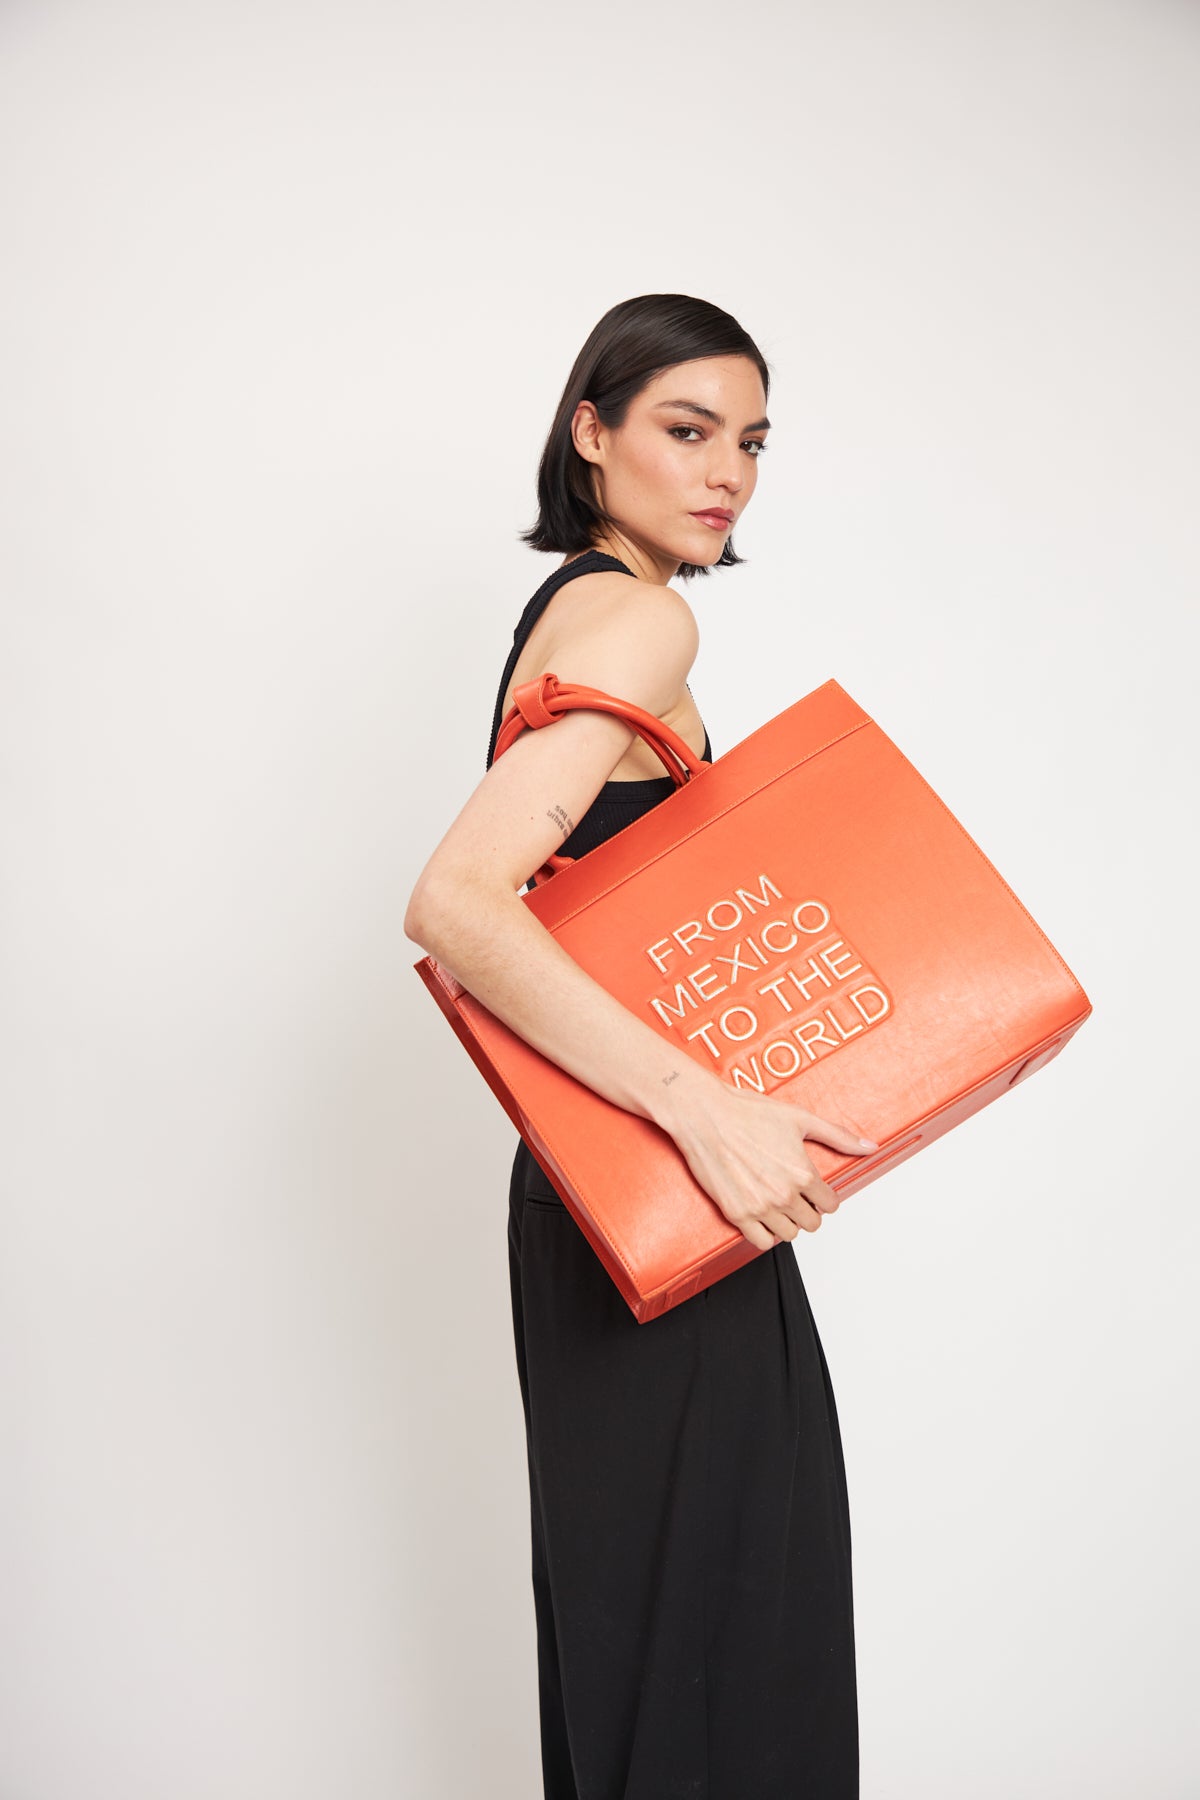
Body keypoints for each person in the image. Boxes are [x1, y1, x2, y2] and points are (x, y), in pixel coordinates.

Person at [404, 294, 874, 1799]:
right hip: (658, 1186)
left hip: (604, 1193)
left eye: (752, 441)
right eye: (687, 428)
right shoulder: (641, 614)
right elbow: (458, 903)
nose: (728, 471)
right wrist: (706, 1108)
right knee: (732, 1660)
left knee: (658, 1656)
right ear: (591, 433)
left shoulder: (571, 612)